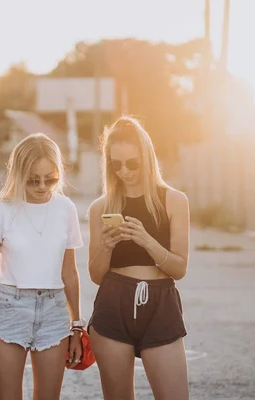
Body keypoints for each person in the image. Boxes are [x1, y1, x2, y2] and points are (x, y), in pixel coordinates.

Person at [0, 133, 84, 400]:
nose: (43, 186)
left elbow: (69, 272)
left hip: (54, 311)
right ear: (19, 173)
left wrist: (77, 327)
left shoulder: (66, 209)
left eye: (51, 178)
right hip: (9, 309)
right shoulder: (0, 209)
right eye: (34, 180)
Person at [87, 116, 190, 400]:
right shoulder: (100, 207)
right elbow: (96, 276)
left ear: (147, 157)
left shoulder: (174, 200)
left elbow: (179, 268)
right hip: (113, 303)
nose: (124, 171)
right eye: (115, 164)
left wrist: (146, 240)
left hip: (160, 303)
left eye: (132, 163)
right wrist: (107, 247)